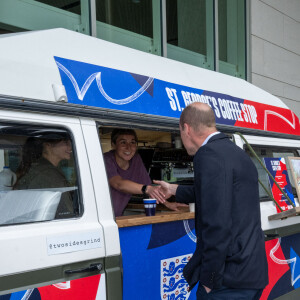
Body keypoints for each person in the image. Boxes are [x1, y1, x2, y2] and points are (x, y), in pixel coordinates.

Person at [155, 103, 268, 299]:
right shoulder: (237, 153)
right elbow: (221, 193)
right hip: (251, 271)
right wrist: (175, 190)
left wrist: (209, 279)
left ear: (186, 128)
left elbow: (217, 224)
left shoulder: (208, 155)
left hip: (227, 279)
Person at [104, 128, 184, 217]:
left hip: (116, 217)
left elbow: (149, 188)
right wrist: (147, 189)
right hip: (99, 219)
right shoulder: (106, 159)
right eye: (123, 142)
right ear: (113, 145)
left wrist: (167, 204)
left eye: (132, 142)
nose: (128, 147)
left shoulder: (135, 159)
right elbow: (118, 184)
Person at [14, 133, 74, 219]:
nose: (70, 147)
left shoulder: (36, 167)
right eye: (65, 142)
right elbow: (67, 214)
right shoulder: (49, 174)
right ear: (48, 145)